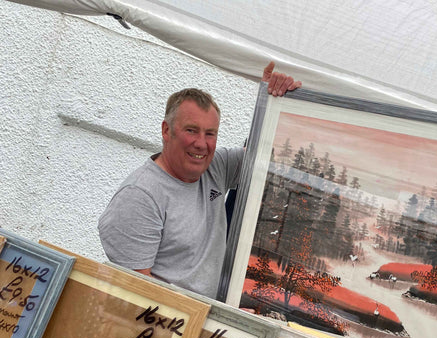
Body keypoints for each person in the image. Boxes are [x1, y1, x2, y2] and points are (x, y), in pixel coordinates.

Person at [98, 62, 301, 298]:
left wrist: (274, 102)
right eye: (191, 130)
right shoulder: (140, 196)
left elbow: (271, 155)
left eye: (210, 133)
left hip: (204, 318)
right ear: (166, 130)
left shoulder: (216, 167)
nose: (201, 144)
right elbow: (136, 295)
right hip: (162, 325)